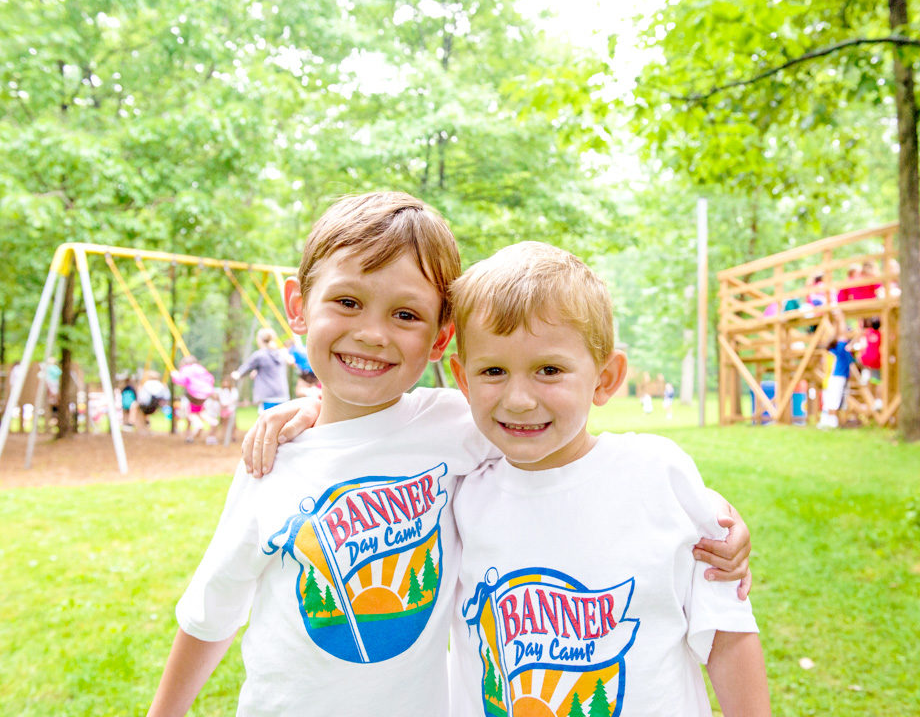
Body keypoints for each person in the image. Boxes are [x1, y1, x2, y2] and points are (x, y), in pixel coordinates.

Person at [147, 193, 752, 717]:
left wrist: (713, 519)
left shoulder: (458, 423)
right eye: (348, 302)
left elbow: (572, 454)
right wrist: (302, 412)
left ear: (439, 340)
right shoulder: (273, 461)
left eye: (405, 314)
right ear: (299, 306)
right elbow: (210, 613)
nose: (373, 333)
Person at [446, 242, 769, 716]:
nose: (517, 399)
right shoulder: (459, 490)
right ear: (463, 380)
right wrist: (309, 411)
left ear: (605, 378)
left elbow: (727, 633)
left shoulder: (658, 476)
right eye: (493, 370)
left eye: (549, 370)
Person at [231, 327, 291, 411]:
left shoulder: (259, 355)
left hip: (268, 397)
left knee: (266, 423)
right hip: (283, 396)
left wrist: (235, 374)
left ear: (259, 340)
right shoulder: (280, 353)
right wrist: (258, 372)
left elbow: (243, 370)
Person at [818, 310, 856, 429]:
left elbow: (837, 335)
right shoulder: (840, 348)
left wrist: (837, 321)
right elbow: (841, 334)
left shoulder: (836, 349)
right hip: (837, 376)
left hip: (836, 376)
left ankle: (831, 420)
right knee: (834, 399)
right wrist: (841, 319)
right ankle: (832, 421)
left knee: (834, 399)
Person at [171, 356, 215, 443]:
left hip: (193, 396)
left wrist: (174, 375)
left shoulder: (186, 369)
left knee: (190, 414)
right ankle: (211, 429)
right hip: (205, 396)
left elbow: (181, 380)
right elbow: (211, 379)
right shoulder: (201, 369)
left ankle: (197, 427)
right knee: (201, 412)